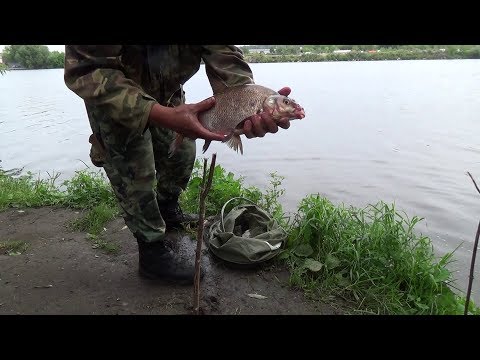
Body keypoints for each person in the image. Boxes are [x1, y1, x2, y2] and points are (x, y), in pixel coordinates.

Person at [64, 45, 294, 284]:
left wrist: (249, 102)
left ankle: (167, 209)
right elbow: (87, 69)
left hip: (168, 91)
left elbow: (225, 54)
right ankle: (151, 251)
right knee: (134, 168)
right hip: (113, 94)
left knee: (182, 152)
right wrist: (160, 114)